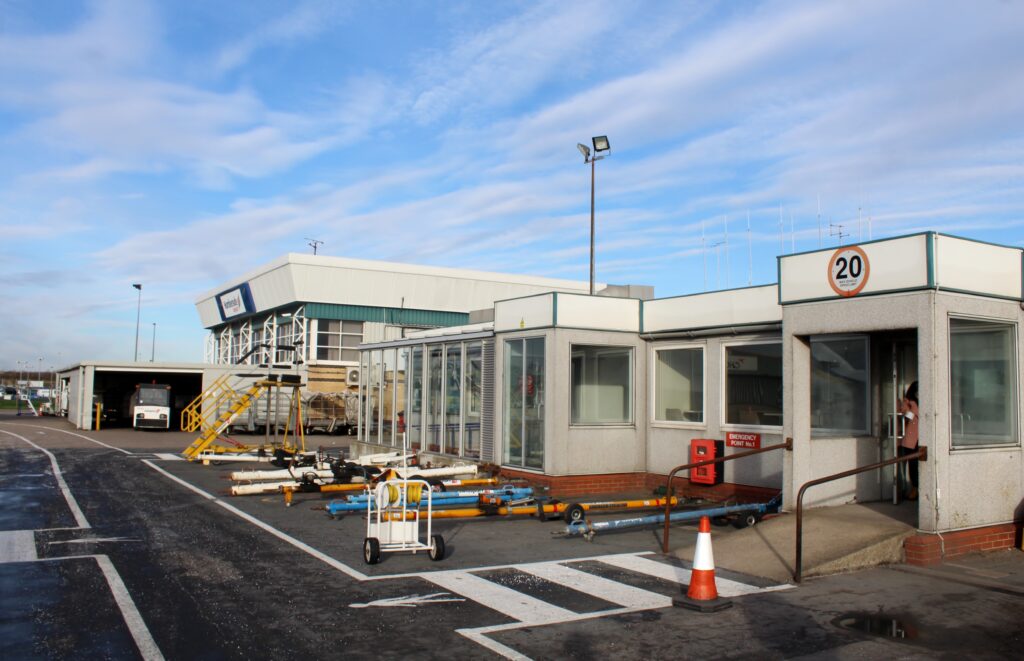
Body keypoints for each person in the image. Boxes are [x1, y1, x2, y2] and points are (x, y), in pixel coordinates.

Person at [898, 381, 920, 500]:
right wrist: (913, 408)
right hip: (912, 439)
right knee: (912, 464)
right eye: (917, 390)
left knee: (921, 464)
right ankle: (914, 488)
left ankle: (920, 489)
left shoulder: (926, 400)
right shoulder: (907, 401)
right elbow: (906, 415)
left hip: (922, 437)